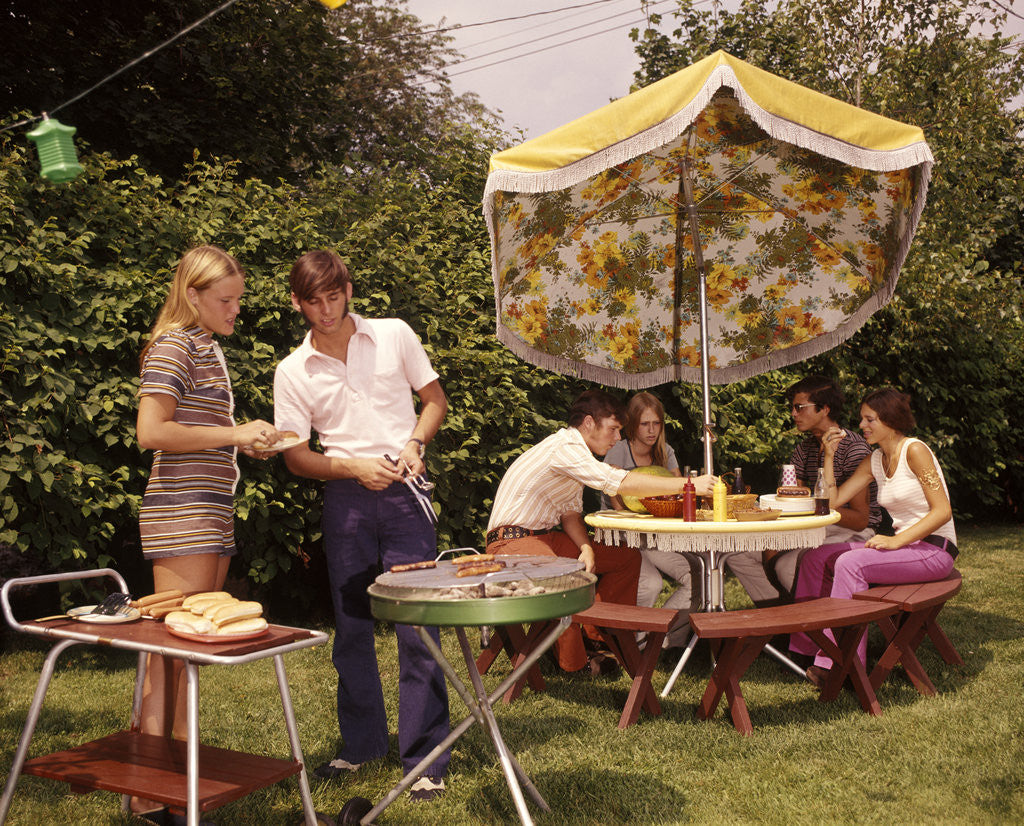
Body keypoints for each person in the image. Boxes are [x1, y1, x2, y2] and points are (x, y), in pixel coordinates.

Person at [273, 250, 450, 802]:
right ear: (297, 302)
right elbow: (296, 457)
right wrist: (350, 466)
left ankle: (425, 760)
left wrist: (415, 442)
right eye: (312, 302)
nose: (325, 311)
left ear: (348, 288)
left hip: (404, 492)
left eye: (333, 296)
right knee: (352, 627)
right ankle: (362, 745)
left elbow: (434, 402)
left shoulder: (394, 334)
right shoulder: (292, 370)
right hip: (345, 496)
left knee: (416, 625)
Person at [135, 245, 281, 824]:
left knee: (190, 646)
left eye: (239, 299)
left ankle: (176, 784)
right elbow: (152, 430)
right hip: (184, 512)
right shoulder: (175, 345)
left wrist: (241, 439)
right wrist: (234, 432)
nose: (236, 308)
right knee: (166, 650)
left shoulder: (204, 348)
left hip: (209, 509)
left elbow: (198, 430)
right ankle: (149, 797)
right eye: (227, 299)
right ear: (192, 295)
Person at [485, 389, 716, 672]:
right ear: (588, 423)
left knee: (625, 558)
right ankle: (573, 664)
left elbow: (570, 514)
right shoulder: (565, 448)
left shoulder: (577, 454)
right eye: (613, 429)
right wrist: (687, 486)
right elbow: (618, 482)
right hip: (510, 543)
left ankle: (603, 639)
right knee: (564, 575)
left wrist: (585, 547)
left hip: (543, 538)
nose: (618, 437)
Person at [789, 387, 957, 684]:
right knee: (816, 558)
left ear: (891, 419)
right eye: (862, 420)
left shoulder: (914, 451)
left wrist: (896, 540)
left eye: (870, 420)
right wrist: (829, 456)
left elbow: (942, 511)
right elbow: (833, 500)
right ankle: (809, 649)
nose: (862, 426)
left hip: (933, 550)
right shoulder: (876, 459)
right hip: (905, 551)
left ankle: (843, 665)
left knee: (850, 564)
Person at [726, 375, 881, 607]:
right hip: (815, 527)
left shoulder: (854, 449)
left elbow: (860, 520)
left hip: (852, 532)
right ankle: (778, 617)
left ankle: (819, 626)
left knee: (786, 564)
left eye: (799, 407)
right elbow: (792, 499)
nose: (793, 414)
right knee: (740, 554)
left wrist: (813, 507)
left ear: (824, 409)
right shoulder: (804, 448)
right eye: (792, 408)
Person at [601, 392, 703, 647]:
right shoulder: (617, 453)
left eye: (656, 423)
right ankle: (635, 642)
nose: (651, 430)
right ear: (632, 425)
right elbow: (619, 507)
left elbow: (680, 498)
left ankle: (663, 640)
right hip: (624, 537)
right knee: (652, 584)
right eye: (644, 424)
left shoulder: (665, 453)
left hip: (657, 536)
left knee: (699, 578)